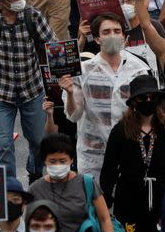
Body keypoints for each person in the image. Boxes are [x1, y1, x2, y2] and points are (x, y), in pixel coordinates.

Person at [0, 0, 57, 181]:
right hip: (2, 93)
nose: (18, 0)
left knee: (39, 141)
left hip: (32, 91)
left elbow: (53, 46)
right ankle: (9, 187)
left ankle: (35, 175)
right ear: (1, 1)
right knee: (3, 144)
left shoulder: (33, 16)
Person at [100, 74, 165, 232]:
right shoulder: (120, 131)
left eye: (152, 97)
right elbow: (109, 170)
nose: (148, 101)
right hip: (129, 203)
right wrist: (105, 203)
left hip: (162, 202)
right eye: (142, 97)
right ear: (133, 101)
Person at [61, 12, 150, 180]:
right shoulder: (83, 70)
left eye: (117, 31)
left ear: (124, 37)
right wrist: (71, 94)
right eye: (106, 32)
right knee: (95, 202)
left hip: (130, 149)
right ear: (96, 39)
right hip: (93, 155)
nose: (113, 35)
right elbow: (74, 116)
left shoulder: (139, 69)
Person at [29, 133, 118, 232]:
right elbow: (27, 225)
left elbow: (105, 218)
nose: (57, 165)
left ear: (71, 159)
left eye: (62, 161)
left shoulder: (86, 183)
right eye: (52, 161)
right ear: (44, 161)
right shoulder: (35, 189)